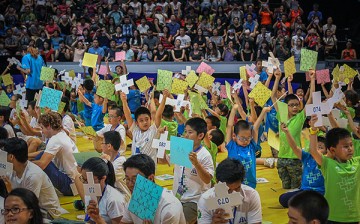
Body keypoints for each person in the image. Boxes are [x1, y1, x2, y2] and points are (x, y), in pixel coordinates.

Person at [309, 117, 360, 223]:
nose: (350, 148)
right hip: (332, 217)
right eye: (345, 146)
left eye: (351, 145)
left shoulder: (357, 162)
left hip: (354, 217)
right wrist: (313, 130)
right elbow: (313, 151)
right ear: (332, 150)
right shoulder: (328, 164)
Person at [271, 69, 315, 190]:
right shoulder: (282, 114)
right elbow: (273, 95)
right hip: (281, 158)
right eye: (292, 105)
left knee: (296, 189)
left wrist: (312, 79)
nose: (295, 107)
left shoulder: (300, 117)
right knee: (285, 188)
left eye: (297, 104)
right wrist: (277, 78)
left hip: (295, 159)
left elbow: (311, 98)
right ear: (286, 106)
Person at [1, 138, 62, 219]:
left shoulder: (33, 175)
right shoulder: (11, 169)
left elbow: (30, 205)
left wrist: (10, 191)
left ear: (11, 157)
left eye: (3, 153)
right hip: (25, 206)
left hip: (47, 213)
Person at [172, 117, 214, 224]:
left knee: (179, 222)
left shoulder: (205, 155)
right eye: (185, 131)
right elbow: (163, 160)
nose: (186, 135)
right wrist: (160, 139)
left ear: (200, 135)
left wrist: (196, 164)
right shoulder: (181, 147)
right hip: (177, 197)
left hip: (194, 200)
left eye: (190, 132)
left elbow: (207, 179)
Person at [197, 158, 262, 223]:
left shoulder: (251, 195)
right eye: (228, 190)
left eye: (237, 188)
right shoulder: (205, 200)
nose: (233, 193)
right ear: (217, 182)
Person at [278, 124, 325, 208]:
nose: (317, 150)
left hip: (319, 193)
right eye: (315, 147)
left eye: (320, 147)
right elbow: (294, 147)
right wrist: (287, 132)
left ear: (327, 150)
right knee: (283, 198)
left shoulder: (326, 160)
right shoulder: (307, 157)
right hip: (305, 191)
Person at [33, 112, 79, 196]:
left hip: (70, 185)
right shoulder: (62, 133)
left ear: (49, 126)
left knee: (39, 161)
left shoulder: (55, 139)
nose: (42, 132)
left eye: (42, 128)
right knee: (41, 156)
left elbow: (42, 165)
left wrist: (22, 163)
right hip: (76, 183)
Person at [226, 104, 270, 188]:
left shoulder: (252, 146)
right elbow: (229, 126)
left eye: (248, 138)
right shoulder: (231, 146)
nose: (245, 141)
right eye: (242, 138)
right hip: (233, 183)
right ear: (234, 136)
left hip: (250, 184)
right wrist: (233, 110)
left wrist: (263, 111)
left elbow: (255, 128)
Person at [77, 157, 126, 224]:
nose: (86, 184)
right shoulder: (90, 193)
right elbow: (89, 220)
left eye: (88, 181)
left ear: (103, 178)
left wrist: (98, 219)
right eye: (83, 179)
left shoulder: (114, 200)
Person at [120, 92, 162, 164]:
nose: (145, 122)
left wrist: (153, 99)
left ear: (150, 119)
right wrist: (124, 101)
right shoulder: (135, 130)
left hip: (148, 169)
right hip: (135, 167)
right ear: (137, 123)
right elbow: (128, 115)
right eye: (141, 120)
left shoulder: (153, 130)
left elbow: (155, 113)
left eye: (146, 119)